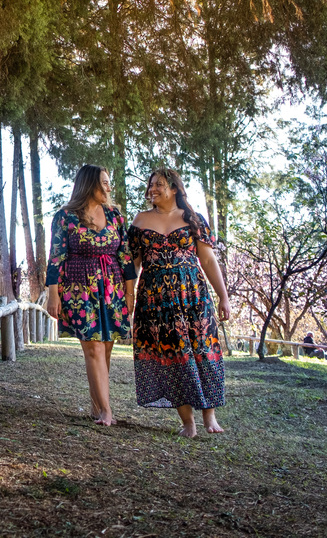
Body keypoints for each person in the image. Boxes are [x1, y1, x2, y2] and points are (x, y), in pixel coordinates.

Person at [128, 168, 231, 438]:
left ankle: (209, 416)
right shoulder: (140, 221)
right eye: (151, 185)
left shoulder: (193, 219)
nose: (153, 189)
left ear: (174, 189)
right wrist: (127, 299)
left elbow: (208, 260)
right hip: (156, 301)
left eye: (159, 185)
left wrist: (224, 296)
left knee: (202, 351)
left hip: (193, 296)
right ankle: (188, 422)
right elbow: (133, 265)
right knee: (172, 357)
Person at [45, 164, 136, 426]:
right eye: (104, 182)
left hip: (113, 287)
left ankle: (97, 407)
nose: (109, 187)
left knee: (105, 349)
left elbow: (126, 256)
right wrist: (54, 295)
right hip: (79, 288)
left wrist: (130, 292)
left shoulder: (115, 215)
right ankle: (107, 410)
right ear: (89, 184)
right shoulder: (65, 216)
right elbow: (56, 257)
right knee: (93, 347)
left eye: (109, 182)